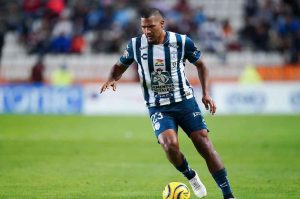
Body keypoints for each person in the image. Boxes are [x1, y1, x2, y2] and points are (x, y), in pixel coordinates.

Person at [100, 8, 236, 199]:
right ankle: (190, 175)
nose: (146, 31)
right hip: (159, 107)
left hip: (185, 102)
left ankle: (228, 195)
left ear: (162, 24)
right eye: (143, 27)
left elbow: (202, 64)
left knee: (203, 143)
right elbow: (119, 65)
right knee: (169, 145)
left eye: (151, 27)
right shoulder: (135, 45)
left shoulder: (181, 42)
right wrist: (112, 78)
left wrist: (206, 93)